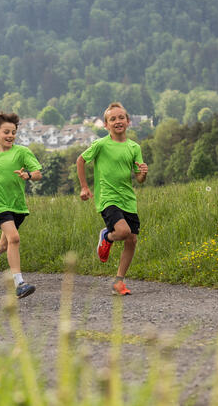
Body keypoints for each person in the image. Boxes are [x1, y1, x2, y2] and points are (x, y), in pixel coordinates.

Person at [77, 102, 148, 296]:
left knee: (132, 239)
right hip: (107, 198)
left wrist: (143, 173)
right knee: (123, 231)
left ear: (128, 121)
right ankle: (107, 236)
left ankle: (119, 281)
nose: (118, 121)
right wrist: (84, 187)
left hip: (128, 199)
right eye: (113, 119)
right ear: (106, 125)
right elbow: (81, 160)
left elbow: (139, 179)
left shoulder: (134, 147)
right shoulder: (101, 145)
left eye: (121, 118)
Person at [0, 112, 42, 299]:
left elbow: (37, 173)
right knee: (15, 238)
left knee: (6, 243)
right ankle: (19, 283)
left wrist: (27, 175)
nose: (10, 135)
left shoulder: (22, 152)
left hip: (17, 204)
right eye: (6, 132)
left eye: (13, 132)